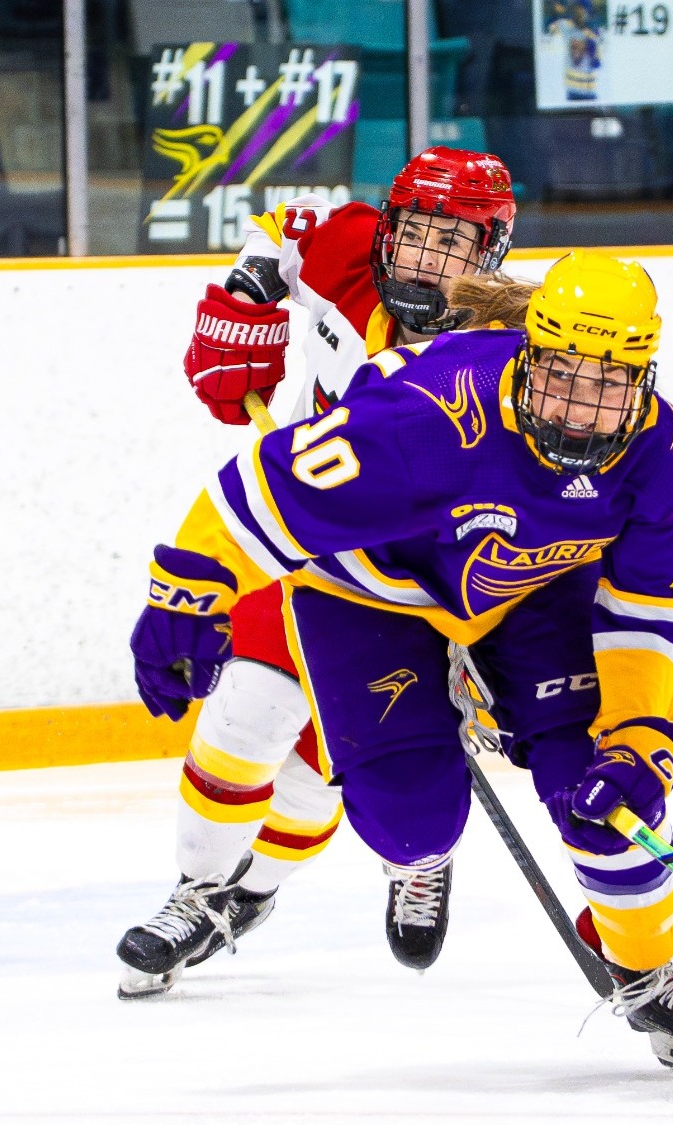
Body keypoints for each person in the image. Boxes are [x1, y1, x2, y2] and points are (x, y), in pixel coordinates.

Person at [127, 253, 673, 1072]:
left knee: (609, 787)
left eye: (607, 386)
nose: (577, 408)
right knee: (411, 818)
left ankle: (646, 968)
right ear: (529, 355)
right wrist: (187, 589)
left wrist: (638, 730)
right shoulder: (426, 413)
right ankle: (424, 824)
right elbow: (260, 490)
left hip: (529, 594)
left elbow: (644, 603)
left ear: (645, 380)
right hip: (367, 590)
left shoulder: (671, 455)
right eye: (561, 377)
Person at [115, 147, 519, 998]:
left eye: (453, 244)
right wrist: (248, 299)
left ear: (491, 252)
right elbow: (278, 231)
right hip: (301, 540)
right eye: (413, 237)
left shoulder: (510, 350)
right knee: (245, 712)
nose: (424, 262)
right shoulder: (345, 246)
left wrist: (500, 636)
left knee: (317, 764)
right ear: (388, 230)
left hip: (419, 585)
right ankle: (198, 890)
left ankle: (269, 889)